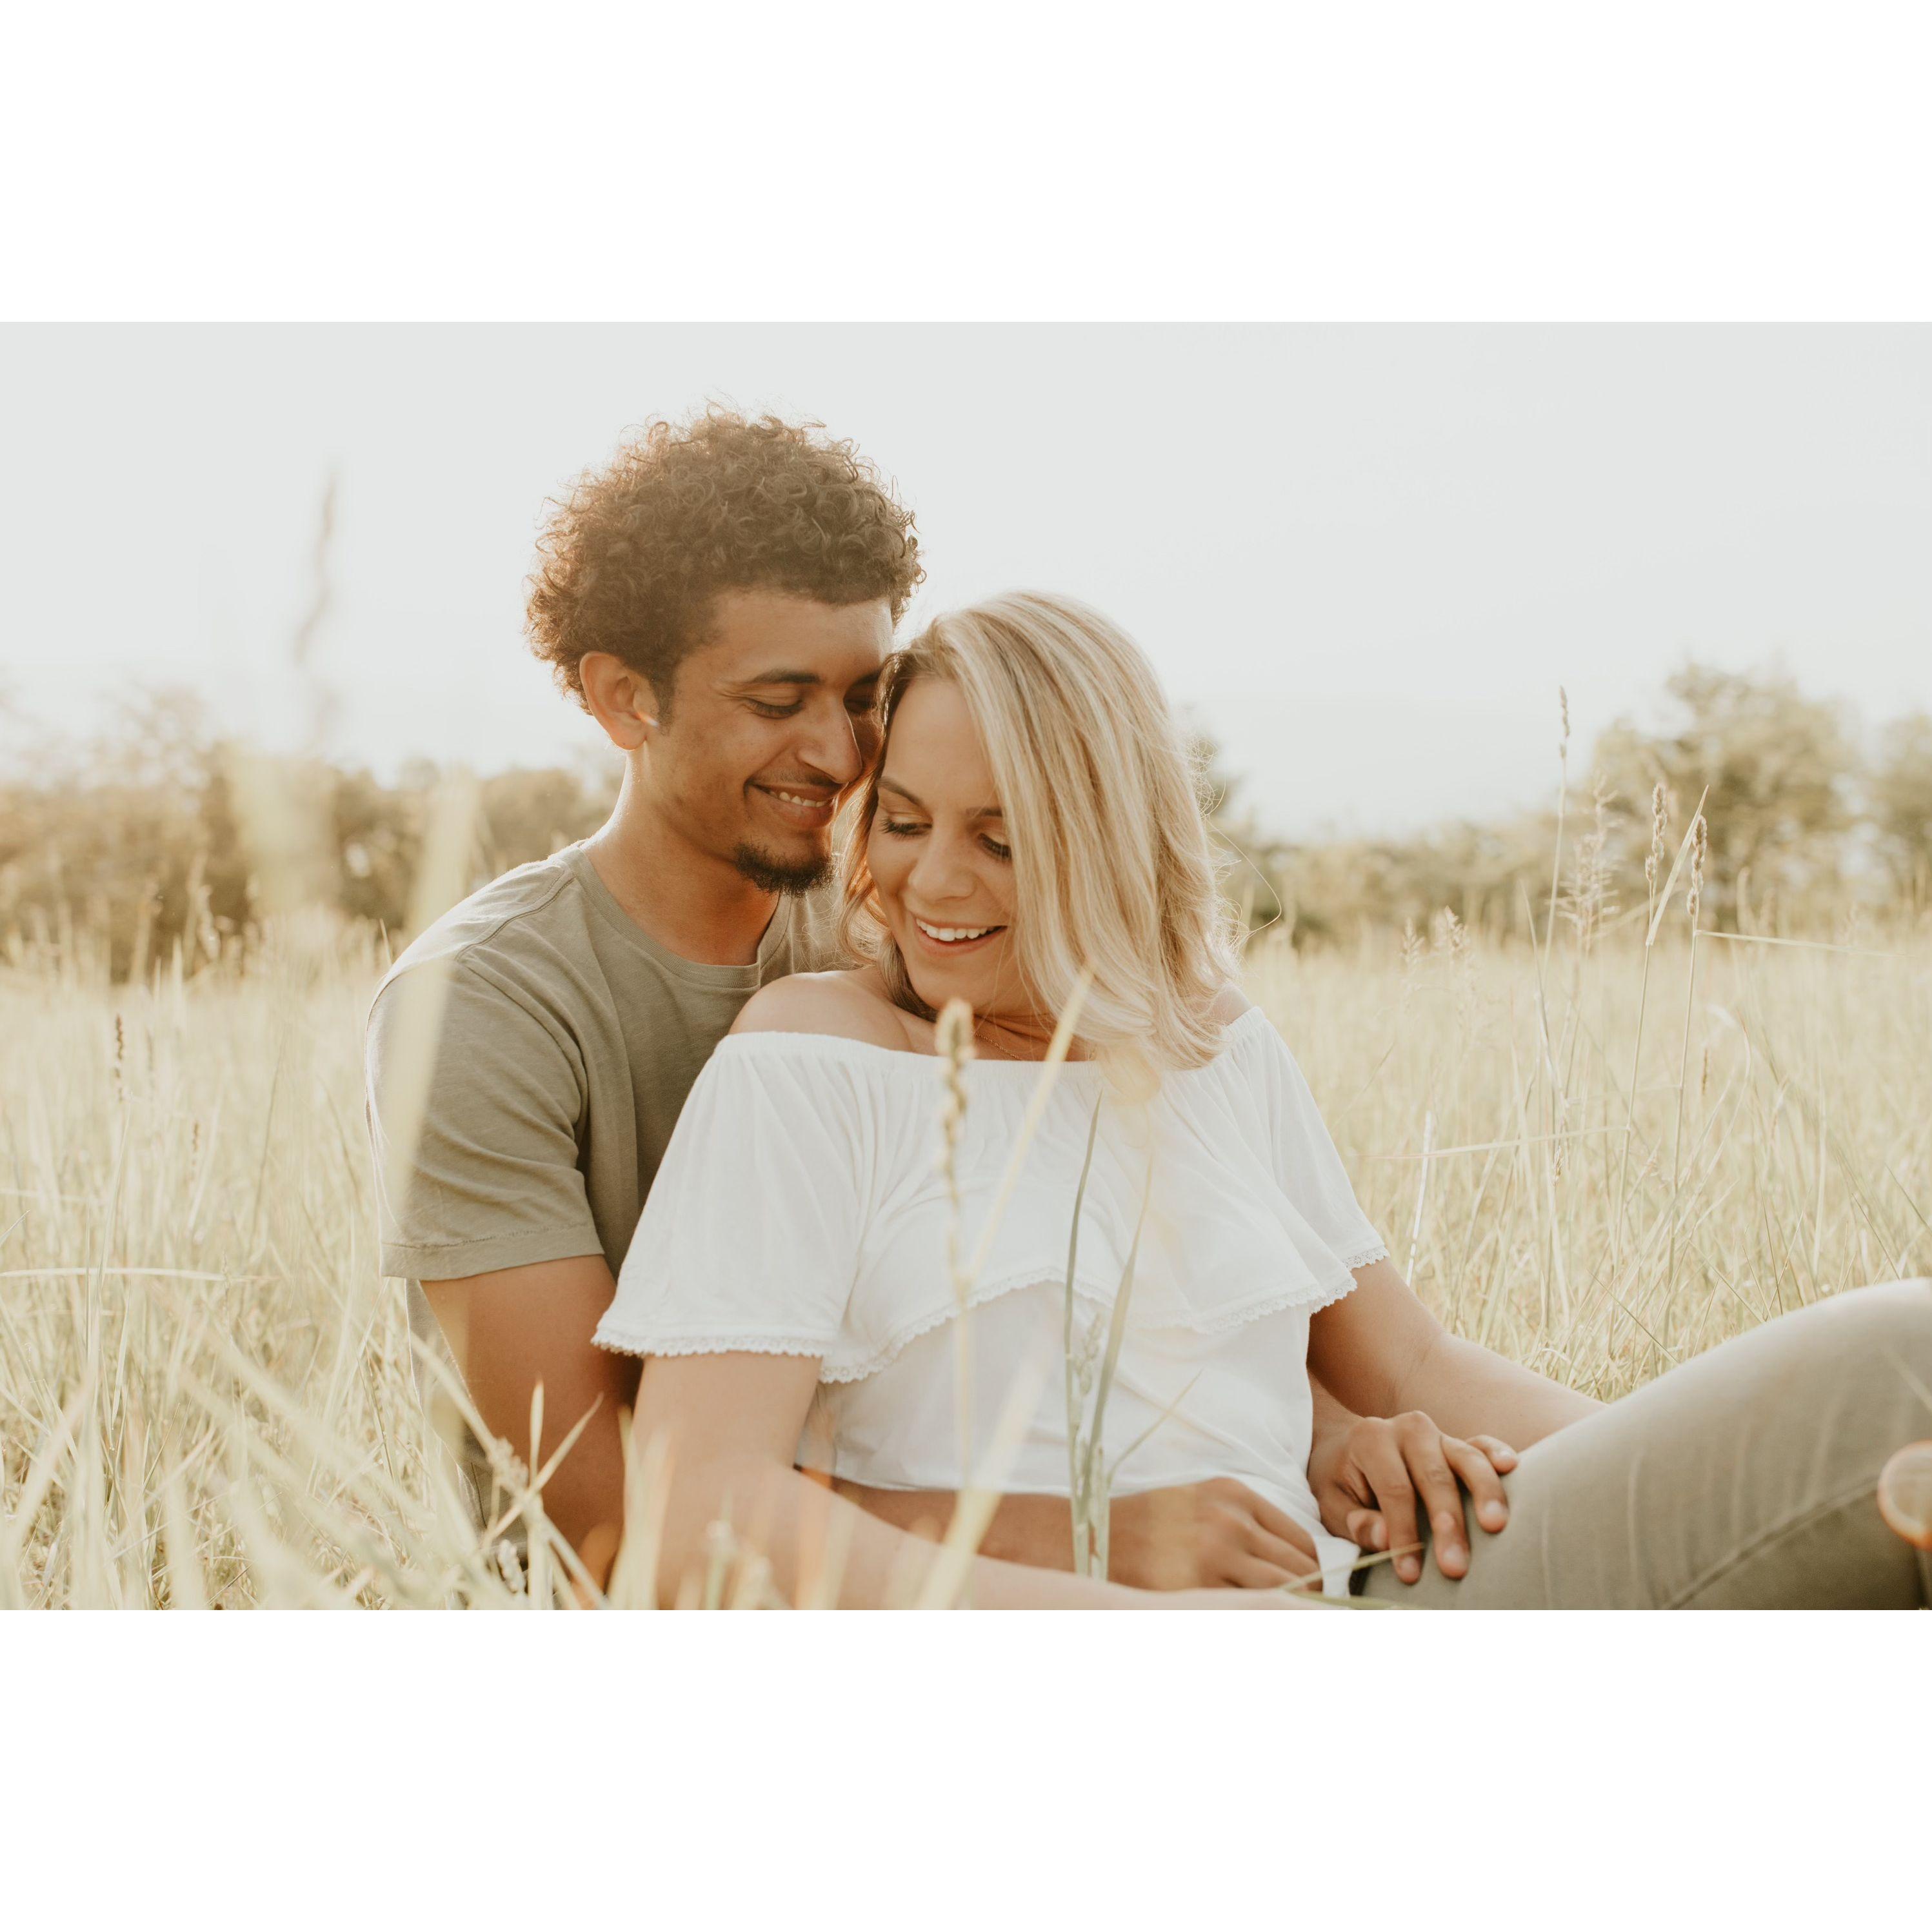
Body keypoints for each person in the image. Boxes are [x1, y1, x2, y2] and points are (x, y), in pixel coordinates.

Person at [594, 590, 1932, 1608]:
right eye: (903, 822)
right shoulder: (812, 1063)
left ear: (1110, 843)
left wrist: (1698, 1480)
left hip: (1375, 1598)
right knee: (1892, 1370)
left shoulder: (1210, 1044)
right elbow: (699, 1513)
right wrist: (1096, 1547)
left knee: (1897, 1385)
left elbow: (1413, 1367)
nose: (935, 882)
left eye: (1002, 840)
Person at [365, 409, 1491, 1597]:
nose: (838, 753)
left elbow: (1054, 1284)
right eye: (777, 701)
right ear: (622, 698)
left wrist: (1316, 1438)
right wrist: (1081, 1530)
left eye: (863, 695)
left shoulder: (909, 922)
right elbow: (620, 1515)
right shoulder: (480, 1008)